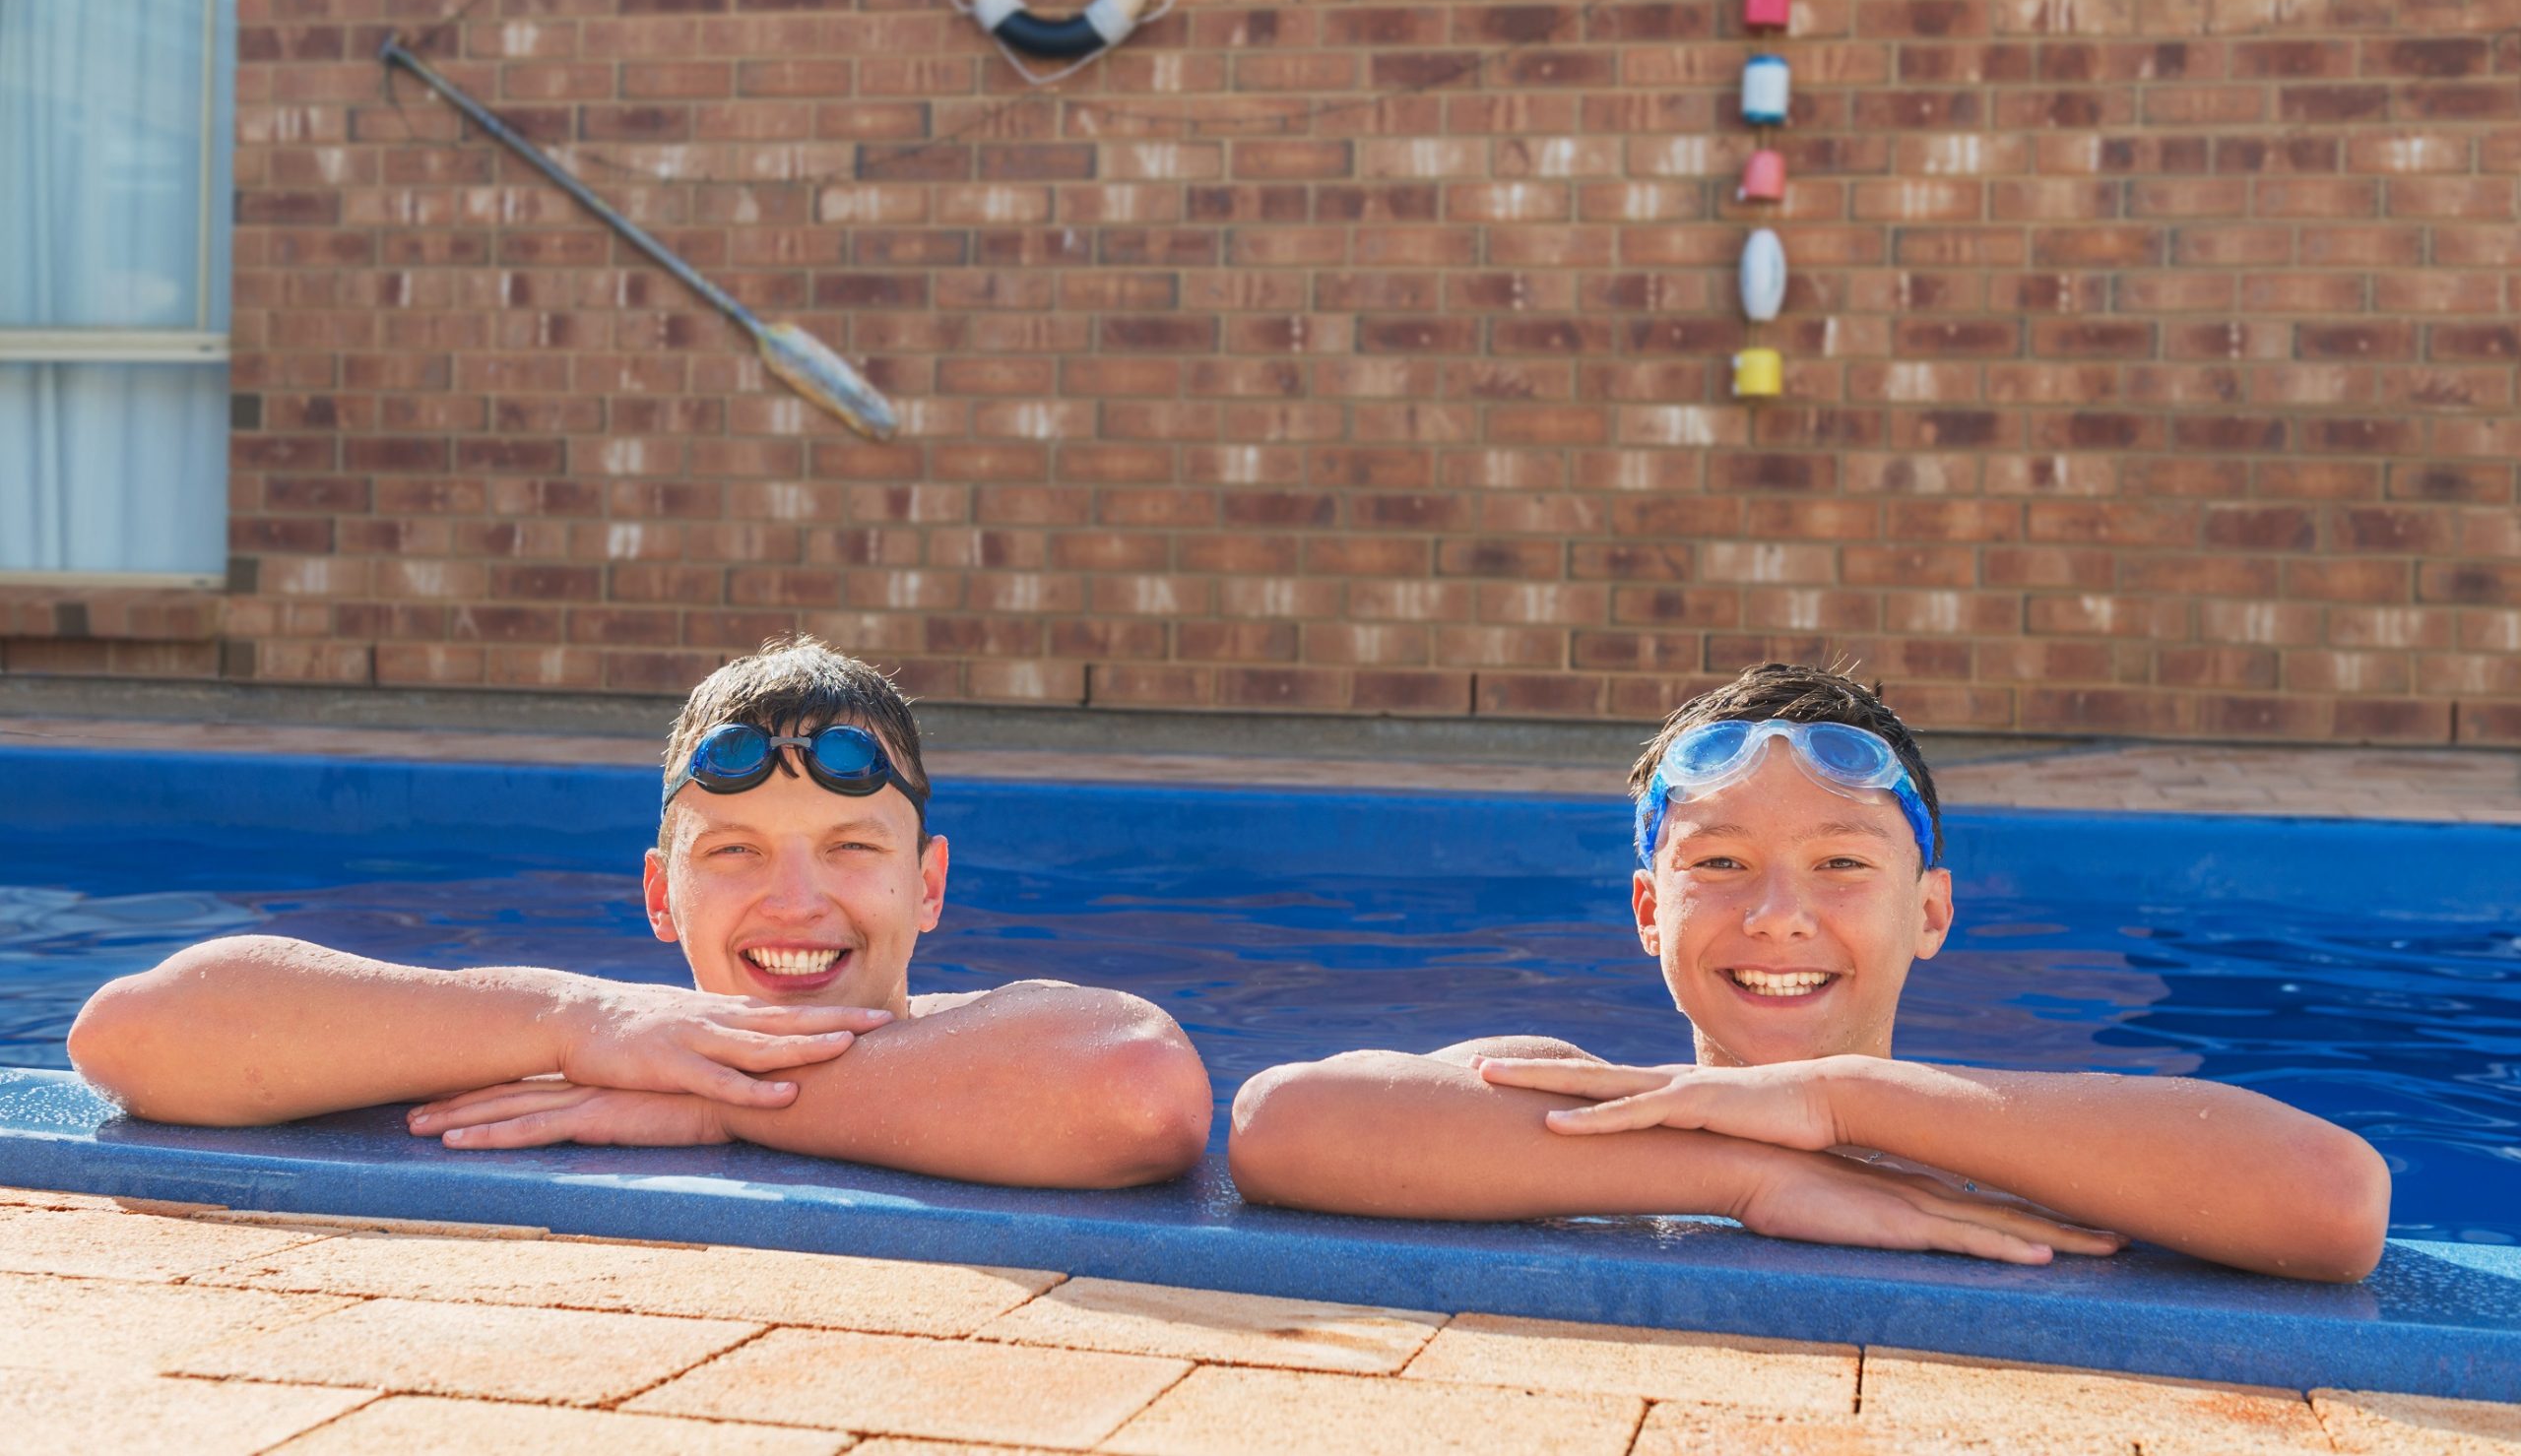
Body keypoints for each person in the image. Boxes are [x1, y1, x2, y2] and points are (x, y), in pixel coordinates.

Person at [1228, 663, 2392, 1281]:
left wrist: (1838, 1105)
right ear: (1648, 910)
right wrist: (1742, 1175)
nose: (1777, 916)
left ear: (1929, 913)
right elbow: (1282, 1125)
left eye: (1840, 863)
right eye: (1721, 863)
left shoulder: (2015, 1147)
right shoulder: (1575, 1097)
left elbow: (2334, 1204)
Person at [69, 638, 1212, 1189]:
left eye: (853, 849)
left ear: (929, 886)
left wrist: (719, 1108)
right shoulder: (571, 1050)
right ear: (661, 895)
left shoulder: (994, 1044)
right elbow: (130, 1037)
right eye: (734, 852)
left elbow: (1139, 1091)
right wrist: (581, 1018)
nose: (795, 900)